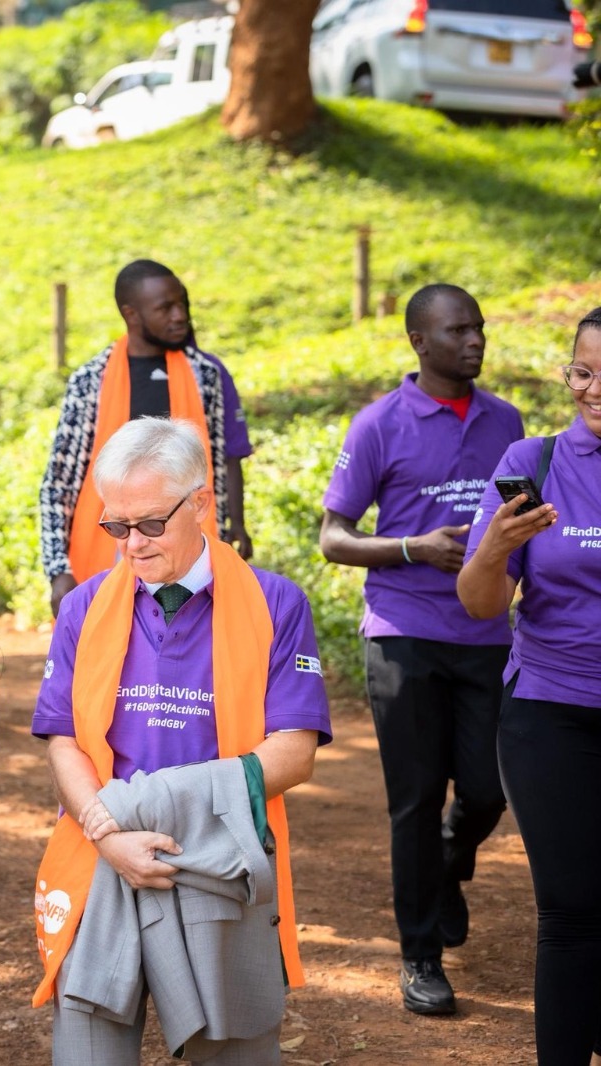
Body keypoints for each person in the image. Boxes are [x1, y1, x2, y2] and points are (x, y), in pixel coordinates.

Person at [32, 417, 330, 1065]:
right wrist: (111, 836)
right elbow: (63, 743)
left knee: (235, 1050)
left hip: (221, 861)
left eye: (149, 524)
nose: (131, 545)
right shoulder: (83, 609)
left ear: (200, 503)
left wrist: (161, 801)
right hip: (100, 857)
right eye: (115, 527)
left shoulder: (275, 604)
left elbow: (295, 751)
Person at [319, 284, 523, 1017]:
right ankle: (420, 959)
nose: (475, 340)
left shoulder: (508, 421)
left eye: (479, 327)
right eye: (458, 329)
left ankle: (448, 859)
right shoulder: (380, 424)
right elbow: (333, 537)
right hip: (403, 634)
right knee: (414, 800)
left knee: (489, 790)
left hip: (486, 633)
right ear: (419, 341)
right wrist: (410, 548)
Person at [457, 307, 601, 1065]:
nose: (594, 388)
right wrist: (494, 547)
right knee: (573, 913)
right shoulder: (534, 462)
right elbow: (481, 603)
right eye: (584, 371)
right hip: (552, 712)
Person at [38, 259, 255, 615]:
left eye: (181, 304)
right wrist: (58, 569)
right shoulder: (90, 380)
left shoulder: (205, 376)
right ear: (132, 315)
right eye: (165, 308)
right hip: (109, 548)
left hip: (190, 553)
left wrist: (235, 526)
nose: (180, 315)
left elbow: (217, 460)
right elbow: (59, 482)